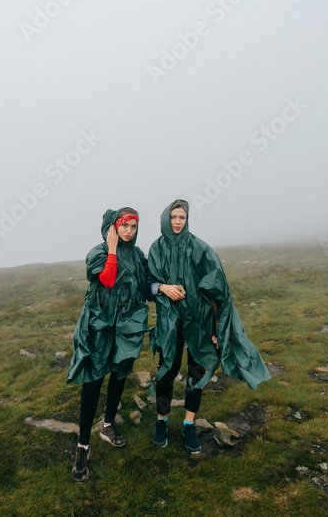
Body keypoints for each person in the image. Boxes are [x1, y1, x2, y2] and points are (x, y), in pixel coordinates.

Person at [147, 199, 270, 453]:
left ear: (187, 219)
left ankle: (189, 425)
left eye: (182, 217)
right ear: (165, 219)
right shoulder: (157, 248)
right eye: (173, 217)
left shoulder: (200, 248)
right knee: (166, 369)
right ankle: (161, 421)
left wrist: (216, 327)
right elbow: (148, 282)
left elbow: (218, 286)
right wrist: (163, 287)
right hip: (169, 322)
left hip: (199, 321)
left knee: (197, 370)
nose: (178, 222)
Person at [66, 207, 150, 482]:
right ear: (113, 227)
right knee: (93, 380)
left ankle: (108, 425)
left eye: (133, 227)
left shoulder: (138, 255)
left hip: (126, 327)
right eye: (124, 225)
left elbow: (145, 285)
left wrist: (162, 288)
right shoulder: (98, 252)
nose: (129, 231)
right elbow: (108, 279)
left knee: (120, 374)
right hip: (99, 328)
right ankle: (83, 447)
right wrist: (112, 248)